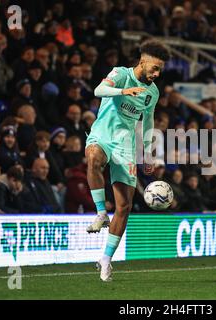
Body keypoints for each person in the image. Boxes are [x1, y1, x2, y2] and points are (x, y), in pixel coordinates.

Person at [84, 39, 170, 281]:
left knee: (124, 207)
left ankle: (106, 260)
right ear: (142, 62)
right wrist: (123, 91)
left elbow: (149, 121)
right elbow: (98, 91)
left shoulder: (152, 92)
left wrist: (148, 151)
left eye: (160, 69)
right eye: (154, 68)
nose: (157, 73)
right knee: (93, 158)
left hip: (126, 146)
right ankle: (101, 213)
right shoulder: (121, 74)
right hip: (103, 135)